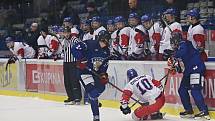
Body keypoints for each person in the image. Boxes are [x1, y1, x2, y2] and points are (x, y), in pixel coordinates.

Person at [167, 32, 210, 120]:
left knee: (195, 90)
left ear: (177, 41)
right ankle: (189, 110)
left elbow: (182, 52)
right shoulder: (178, 50)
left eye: (173, 41)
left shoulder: (185, 43)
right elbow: (180, 69)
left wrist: (173, 55)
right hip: (188, 71)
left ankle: (204, 111)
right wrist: (174, 67)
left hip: (196, 69)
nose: (172, 43)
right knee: (182, 90)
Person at [71, 30, 110, 121]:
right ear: (102, 39)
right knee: (92, 92)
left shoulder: (106, 51)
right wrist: (81, 59)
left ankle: (92, 98)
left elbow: (104, 65)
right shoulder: (89, 43)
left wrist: (103, 74)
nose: (108, 42)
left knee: (101, 88)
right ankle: (96, 117)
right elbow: (74, 48)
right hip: (84, 72)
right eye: (106, 40)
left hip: (95, 73)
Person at [62, 27, 82, 105]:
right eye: (64, 33)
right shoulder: (64, 40)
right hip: (66, 62)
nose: (66, 34)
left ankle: (77, 98)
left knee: (74, 80)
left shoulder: (74, 39)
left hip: (73, 62)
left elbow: (81, 47)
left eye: (67, 32)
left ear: (70, 32)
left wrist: (79, 58)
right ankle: (71, 97)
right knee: (67, 81)